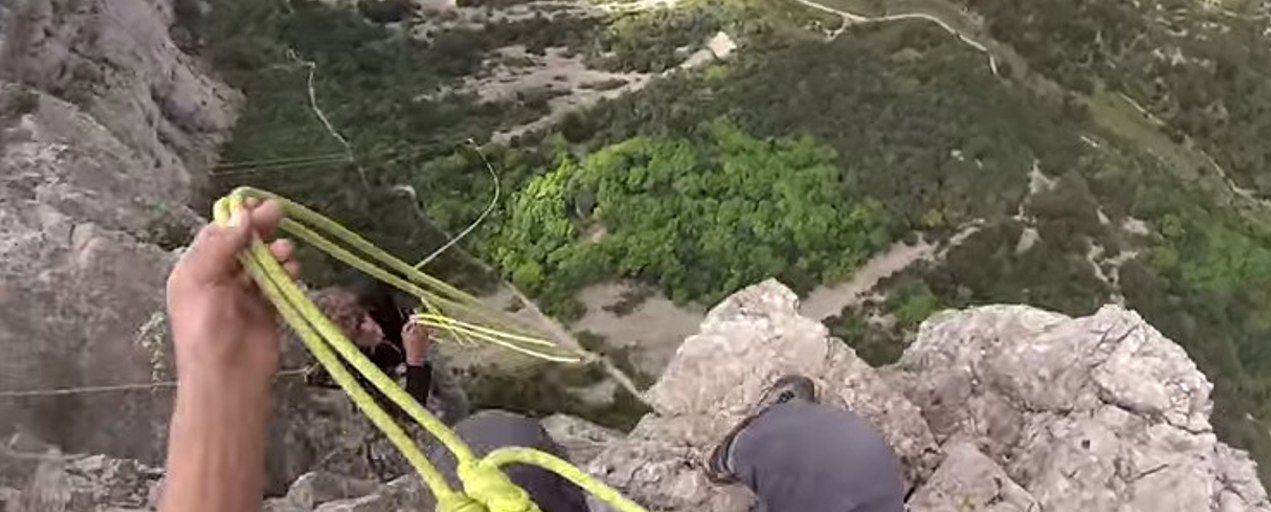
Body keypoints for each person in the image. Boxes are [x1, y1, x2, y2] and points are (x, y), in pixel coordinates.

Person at [160, 198, 905, 512]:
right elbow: (403, 414)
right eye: (354, 329)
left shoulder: (373, 321)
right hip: (411, 411)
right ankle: (754, 444)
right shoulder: (348, 378)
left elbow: (388, 307)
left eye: (359, 323)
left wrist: (221, 376)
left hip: (439, 410)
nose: (362, 329)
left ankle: (740, 451)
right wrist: (415, 363)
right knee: (851, 463)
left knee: (495, 435)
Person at [310, 284, 435, 411]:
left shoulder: (382, 307)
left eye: (362, 319)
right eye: (358, 333)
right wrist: (415, 361)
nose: (369, 328)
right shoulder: (356, 374)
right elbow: (409, 414)